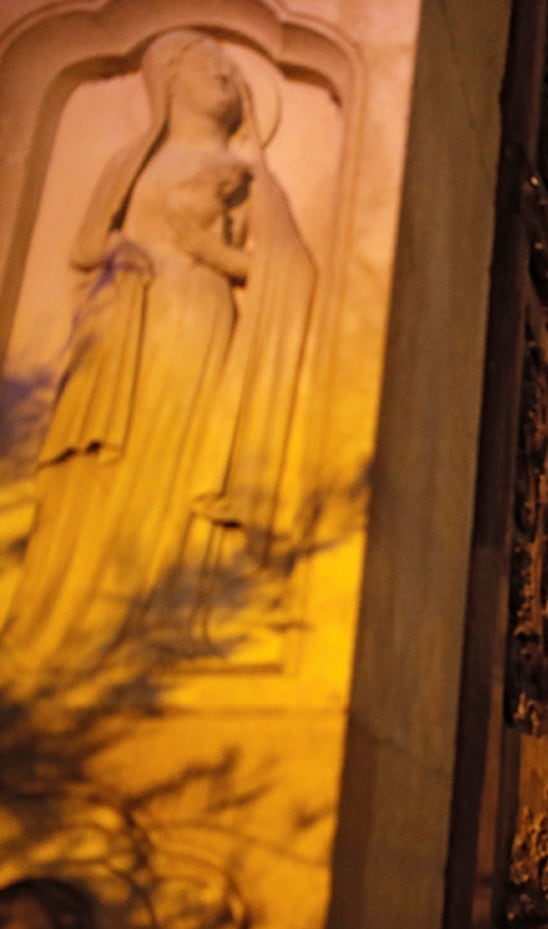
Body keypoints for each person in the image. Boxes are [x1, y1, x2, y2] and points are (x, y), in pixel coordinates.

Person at [1, 28, 314, 665]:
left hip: (196, 315)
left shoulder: (246, 176)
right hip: (120, 327)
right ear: (169, 79)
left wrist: (206, 252)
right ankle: (76, 610)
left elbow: (286, 270)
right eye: (210, 66)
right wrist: (120, 250)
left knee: (171, 455)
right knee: (99, 465)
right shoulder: (132, 162)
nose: (227, 76)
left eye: (233, 70)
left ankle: (156, 608)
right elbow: (87, 244)